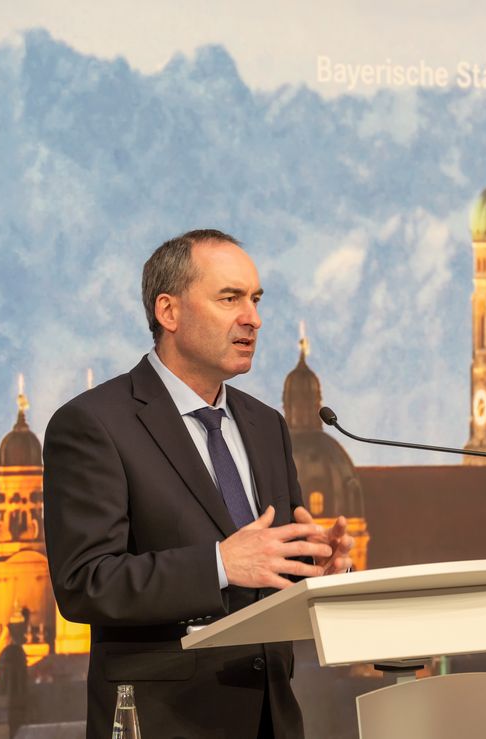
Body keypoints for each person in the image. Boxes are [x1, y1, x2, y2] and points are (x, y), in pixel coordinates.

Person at [43, 229, 353, 739]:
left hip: (271, 721)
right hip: (165, 720)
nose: (251, 317)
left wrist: (318, 568)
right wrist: (218, 564)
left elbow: (270, 569)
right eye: (229, 298)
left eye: (255, 300)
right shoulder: (95, 424)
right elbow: (86, 583)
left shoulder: (266, 424)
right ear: (169, 312)